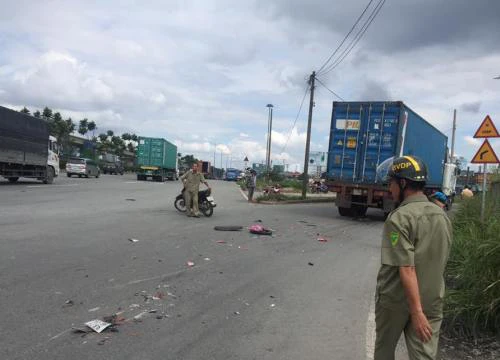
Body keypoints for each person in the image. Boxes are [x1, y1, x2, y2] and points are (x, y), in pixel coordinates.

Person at [374, 156, 453, 360]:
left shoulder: (399, 218)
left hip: (396, 301)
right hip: (431, 300)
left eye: (391, 183)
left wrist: (416, 312)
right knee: (424, 356)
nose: (389, 190)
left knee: (384, 351)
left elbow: (406, 268)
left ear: (402, 183)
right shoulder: (441, 216)